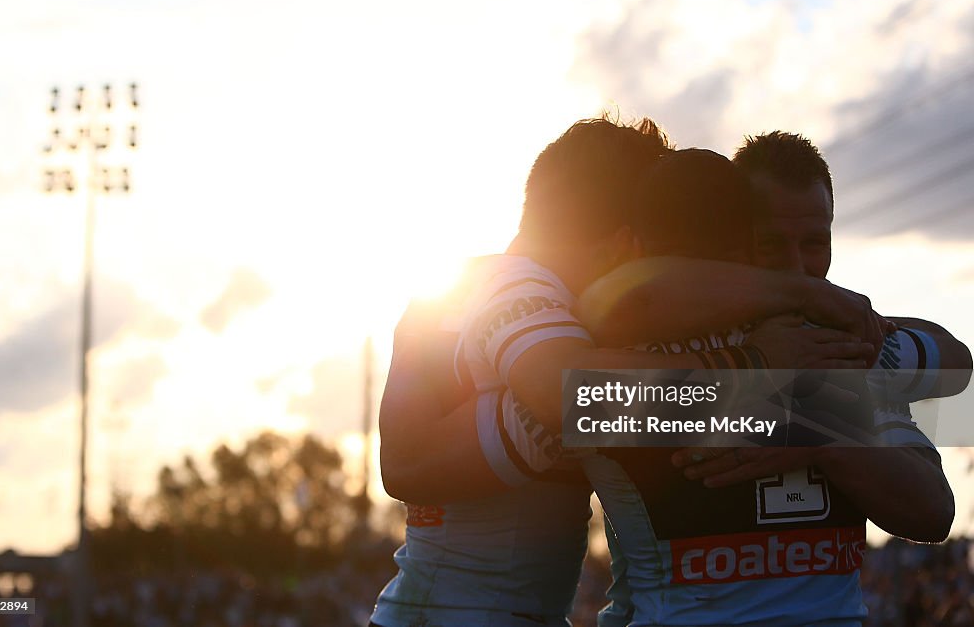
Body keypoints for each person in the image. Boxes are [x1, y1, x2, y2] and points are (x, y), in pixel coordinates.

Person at [370, 118, 877, 627]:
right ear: (622, 237)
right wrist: (758, 364)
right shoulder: (518, 285)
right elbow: (568, 399)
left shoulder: (463, 290)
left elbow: (403, 464)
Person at [579, 145, 961, 627]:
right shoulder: (631, 348)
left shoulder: (846, 346)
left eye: (815, 243)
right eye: (772, 244)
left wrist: (819, 437)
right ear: (735, 237)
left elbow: (933, 513)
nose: (798, 268)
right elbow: (595, 352)